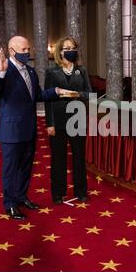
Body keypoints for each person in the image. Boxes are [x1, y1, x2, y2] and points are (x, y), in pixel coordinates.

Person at [0, 36, 75, 220]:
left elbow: (37, 96)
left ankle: (21, 197)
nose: (28, 53)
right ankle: (10, 205)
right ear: (12, 51)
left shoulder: (31, 71)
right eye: (24, 50)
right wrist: (0, 73)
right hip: (11, 132)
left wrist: (56, 92)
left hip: (29, 129)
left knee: (26, 168)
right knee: (11, 169)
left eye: (28, 49)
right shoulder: (4, 70)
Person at [45, 36, 92, 204]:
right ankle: (58, 193)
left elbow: (90, 94)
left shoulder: (82, 71)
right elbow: (48, 99)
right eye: (66, 48)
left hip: (77, 119)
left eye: (73, 48)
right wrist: (49, 123)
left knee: (79, 157)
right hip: (57, 122)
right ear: (60, 51)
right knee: (58, 158)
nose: (70, 51)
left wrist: (78, 94)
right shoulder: (51, 72)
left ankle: (81, 191)